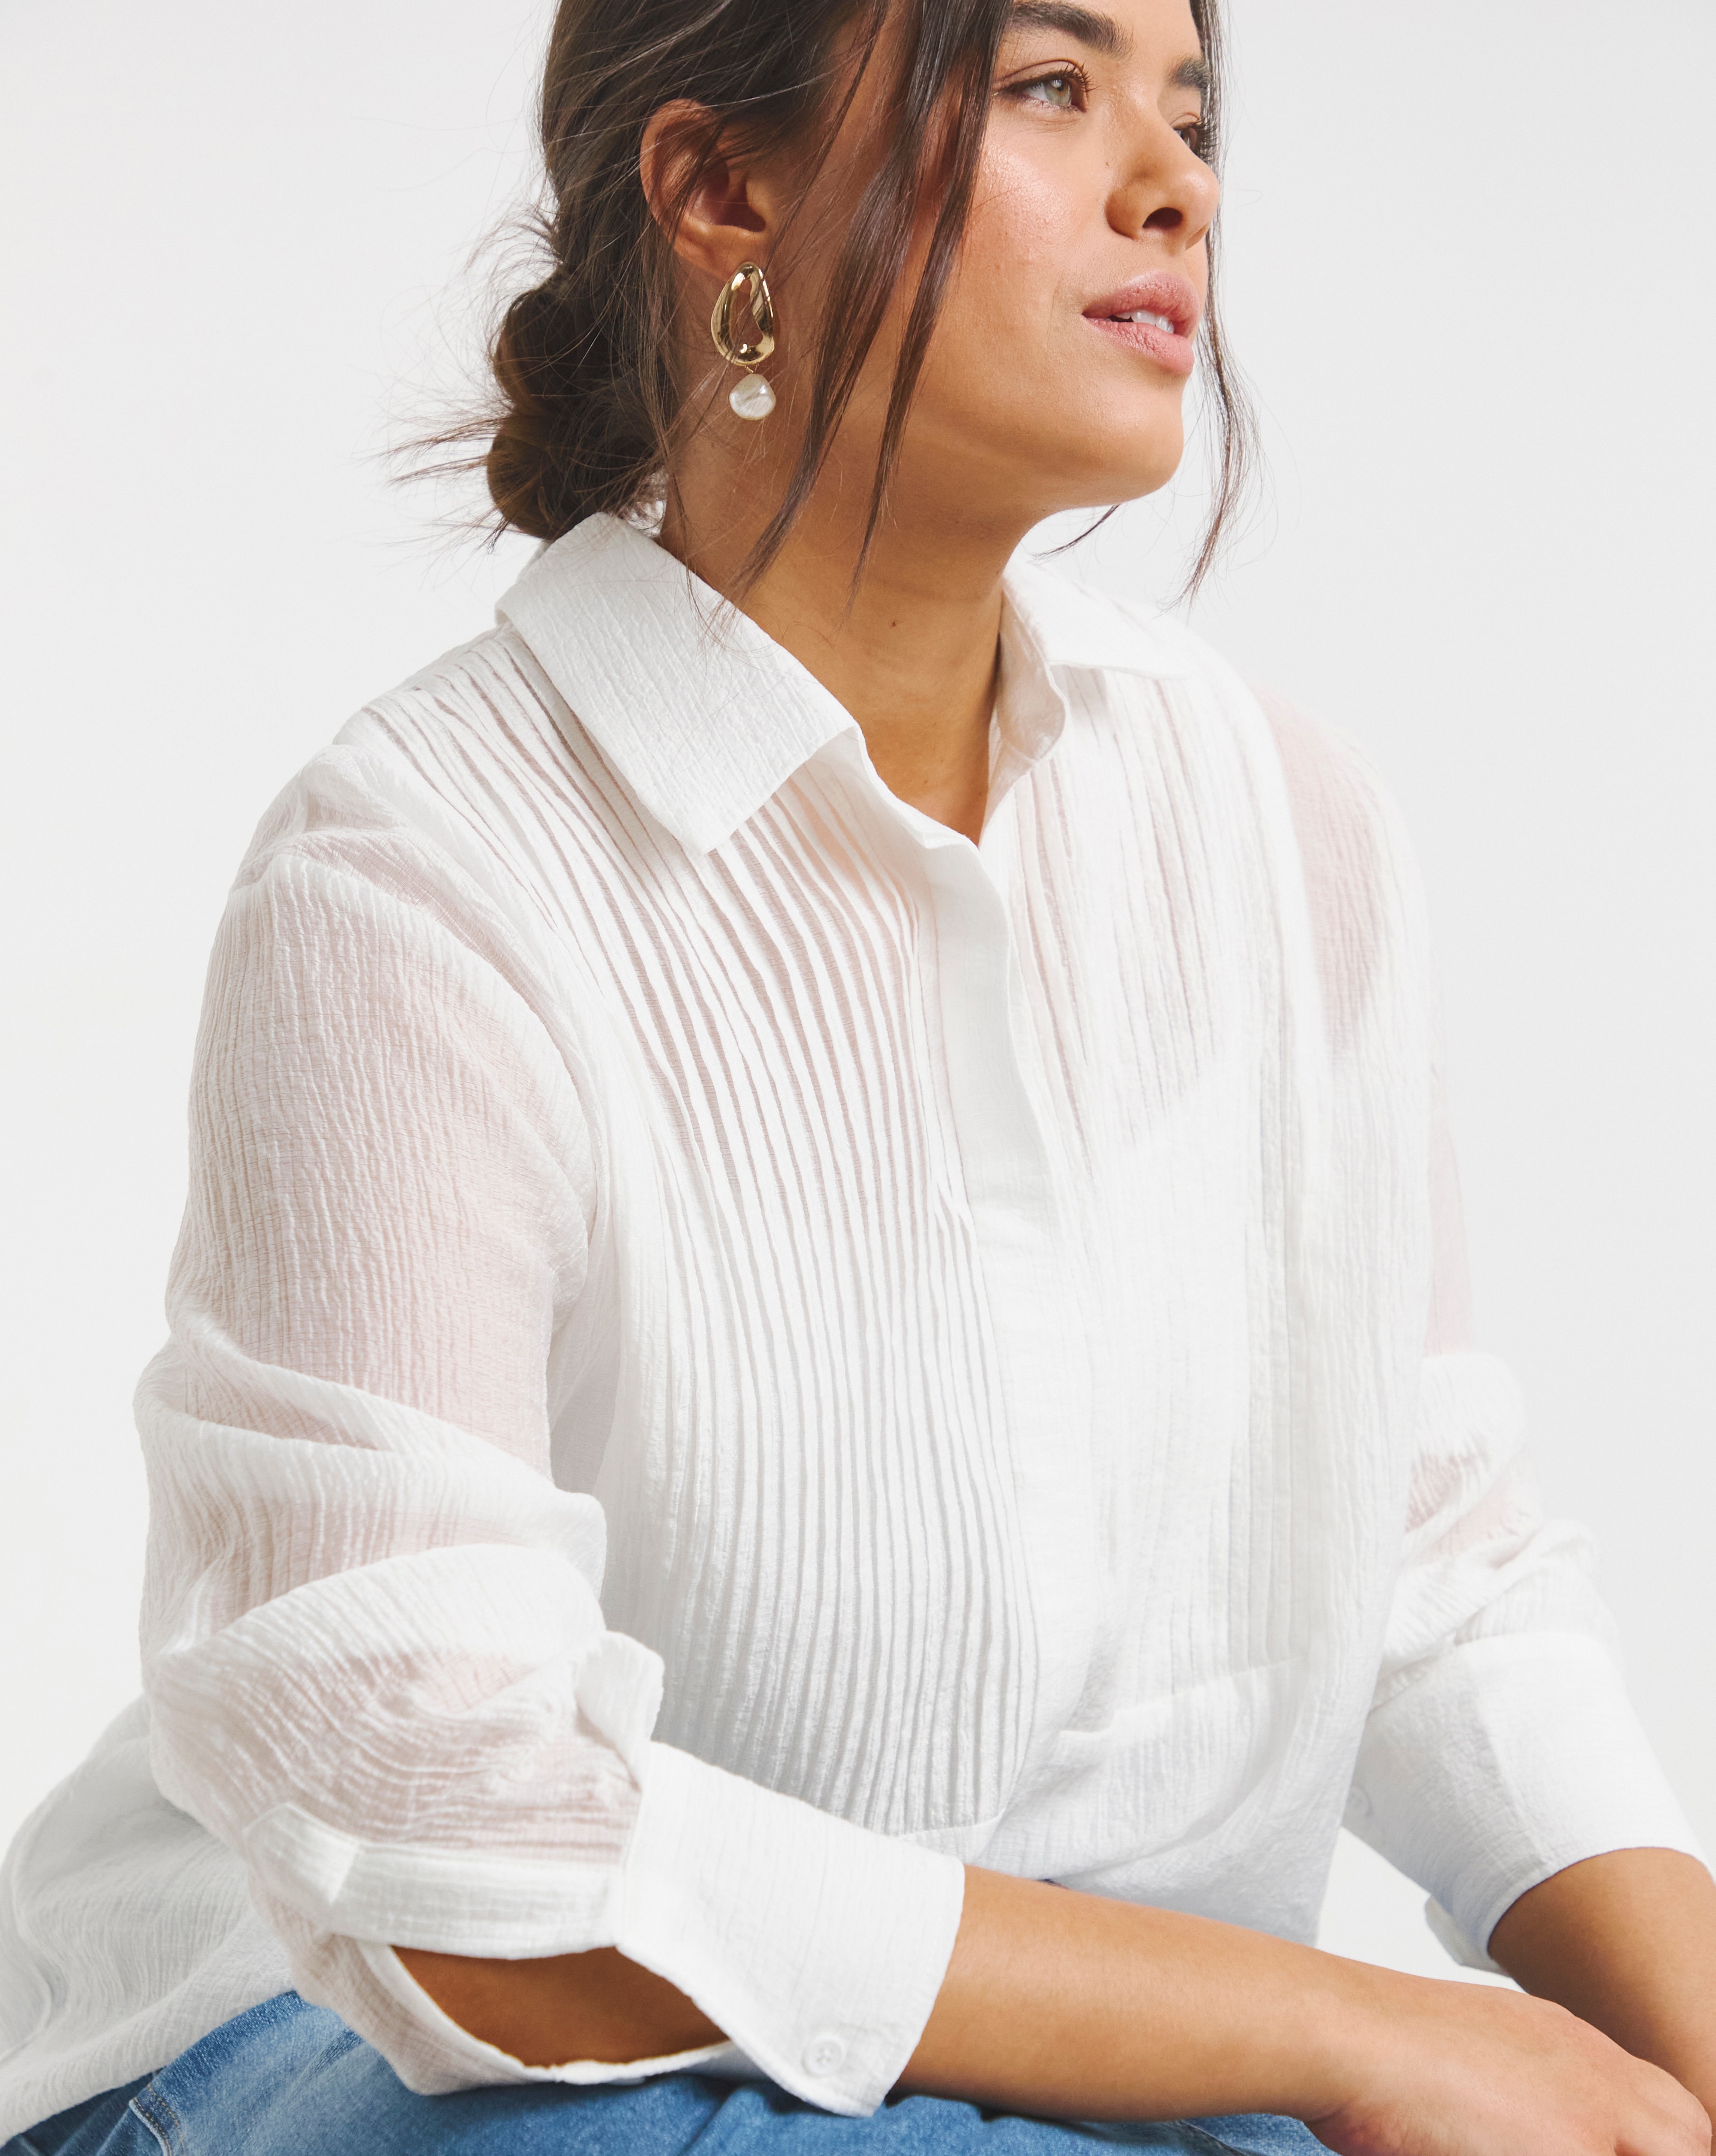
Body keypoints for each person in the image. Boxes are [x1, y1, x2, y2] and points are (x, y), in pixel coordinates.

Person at [2, 0, 1713, 2150]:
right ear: (724, 190)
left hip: (1067, 2092)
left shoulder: (1290, 830)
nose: (1176, 184)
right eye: (1049, 88)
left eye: (1188, 109)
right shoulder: (421, 878)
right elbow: (442, 1837)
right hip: (396, 2045)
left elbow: (1432, 1578)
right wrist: (1348, 2034)